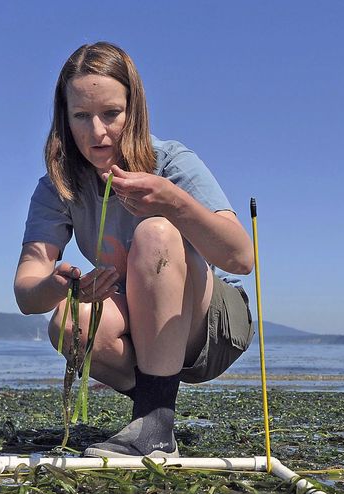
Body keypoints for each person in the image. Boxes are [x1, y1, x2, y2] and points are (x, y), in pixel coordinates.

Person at [14, 41, 255, 459]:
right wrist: (57, 285)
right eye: (81, 116)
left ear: (134, 109)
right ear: (64, 119)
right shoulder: (59, 184)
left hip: (211, 326)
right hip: (140, 324)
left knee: (156, 233)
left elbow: (241, 258)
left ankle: (155, 422)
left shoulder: (170, 160)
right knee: (70, 323)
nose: (97, 132)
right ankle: (154, 415)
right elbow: (26, 289)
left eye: (111, 114)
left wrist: (173, 202)